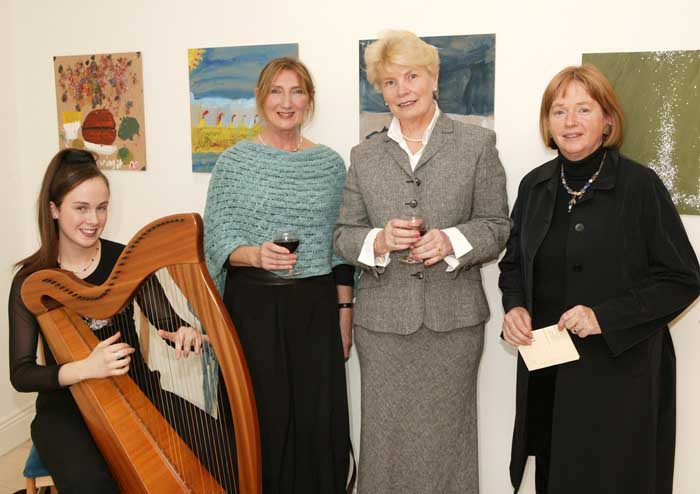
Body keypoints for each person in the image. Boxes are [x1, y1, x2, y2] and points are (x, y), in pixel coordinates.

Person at [498, 64, 700, 494]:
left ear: (608, 119)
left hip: (620, 377)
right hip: (549, 375)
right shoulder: (534, 187)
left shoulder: (640, 186)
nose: (570, 122)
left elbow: (683, 278)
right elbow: (512, 263)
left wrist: (604, 317)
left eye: (583, 109)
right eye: (559, 110)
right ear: (547, 123)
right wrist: (514, 305)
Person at [333, 30, 510, 494]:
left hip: (453, 325)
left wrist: (452, 241)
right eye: (390, 82)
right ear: (381, 91)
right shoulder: (364, 155)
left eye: (412, 76)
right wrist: (379, 240)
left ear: (434, 78)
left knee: (449, 443)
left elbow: (498, 226)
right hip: (383, 327)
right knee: (384, 442)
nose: (403, 89)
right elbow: (343, 236)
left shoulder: (476, 145)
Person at [9, 149, 218, 494]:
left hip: (138, 392)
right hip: (65, 411)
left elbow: (167, 321)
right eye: (81, 208)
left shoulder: (124, 261)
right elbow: (21, 374)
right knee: (94, 485)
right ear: (54, 209)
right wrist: (85, 368)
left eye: (102, 207)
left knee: (217, 444)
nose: (94, 219)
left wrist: (184, 332)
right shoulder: (32, 280)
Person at [203, 57, 353, 494]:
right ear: (260, 98)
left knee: (315, 418)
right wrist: (254, 254)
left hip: (315, 307)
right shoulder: (233, 163)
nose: (286, 102)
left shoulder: (330, 165)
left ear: (309, 101)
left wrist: (345, 313)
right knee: (261, 419)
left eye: (297, 91)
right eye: (276, 91)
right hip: (253, 309)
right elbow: (218, 243)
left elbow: (340, 243)